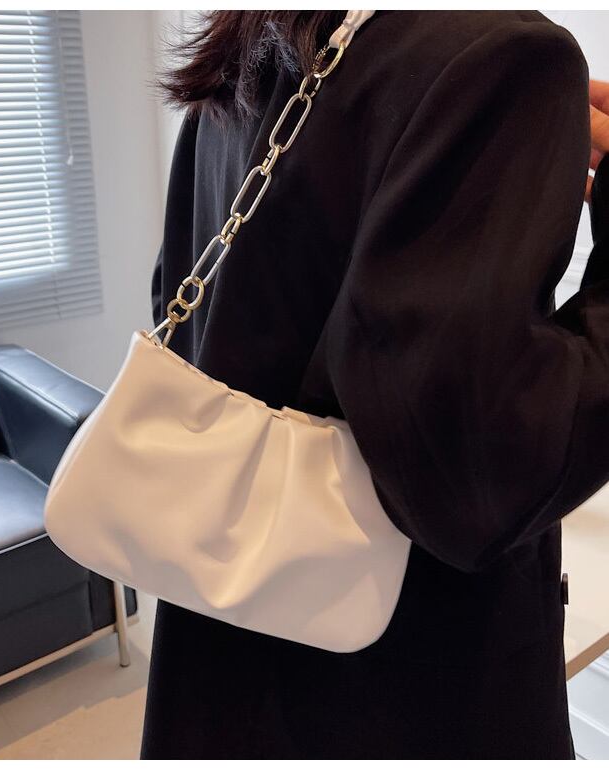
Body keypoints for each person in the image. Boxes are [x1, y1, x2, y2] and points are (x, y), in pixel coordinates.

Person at [140, 10, 609, 760]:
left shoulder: (260, 33)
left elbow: (179, 294)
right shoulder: (505, 53)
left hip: (222, 635)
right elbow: (482, 480)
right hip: (400, 684)